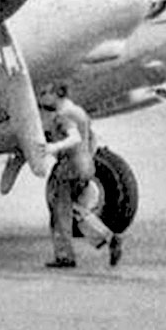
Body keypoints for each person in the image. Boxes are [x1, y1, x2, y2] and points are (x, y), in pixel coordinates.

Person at [39, 86, 123, 268]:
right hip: (86, 164)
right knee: (76, 209)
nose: (42, 97)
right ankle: (107, 237)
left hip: (68, 167)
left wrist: (52, 148)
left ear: (56, 95)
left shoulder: (63, 115)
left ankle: (64, 256)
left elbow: (74, 137)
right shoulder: (80, 112)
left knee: (60, 213)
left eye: (45, 93)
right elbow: (90, 138)